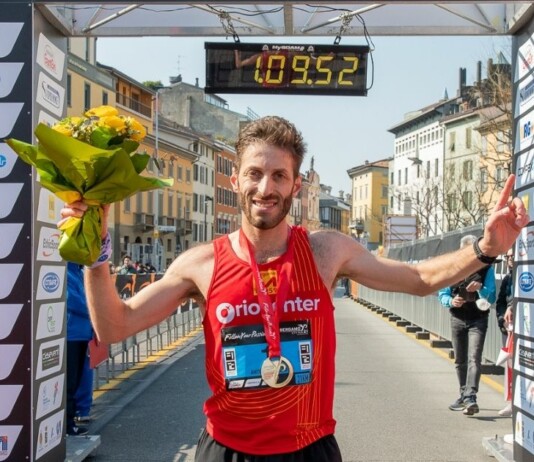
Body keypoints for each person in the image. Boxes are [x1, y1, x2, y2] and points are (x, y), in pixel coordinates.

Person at [59, 116, 528, 461]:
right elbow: (116, 326)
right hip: (226, 451)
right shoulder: (201, 264)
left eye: (279, 175)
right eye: (254, 173)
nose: (266, 187)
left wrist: (485, 249)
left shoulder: (326, 251)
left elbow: (419, 279)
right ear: (235, 179)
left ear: (296, 185)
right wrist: (95, 256)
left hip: (309, 450)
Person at [438, 235, 497, 416]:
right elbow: (442, 293)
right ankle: (463, 395)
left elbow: (492, 296)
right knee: (460, 360)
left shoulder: (487, 268)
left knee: (474, 358)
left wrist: (480, 289)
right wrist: (451, 301)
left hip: (478, 319)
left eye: (473, 251)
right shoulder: (452, 268)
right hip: (457, 318)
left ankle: (471, 397)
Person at [66, 262, 93, 436]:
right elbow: (73, 301)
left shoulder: (78, 271)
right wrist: (96, 311)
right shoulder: (65, 271)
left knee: (75, 382)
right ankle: (67, 425)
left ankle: (71, 421)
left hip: (82, 333)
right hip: (71, 335)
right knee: (69, 383)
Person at [496, 249, 514, 417]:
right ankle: (512, 402)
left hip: (526, 330)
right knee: (510, 367)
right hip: (509, 330)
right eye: (507, 257)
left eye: (512, 256)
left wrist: (513, 307)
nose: (509, 259)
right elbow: (500, 302)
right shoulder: (507, 278)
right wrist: (502, 320)